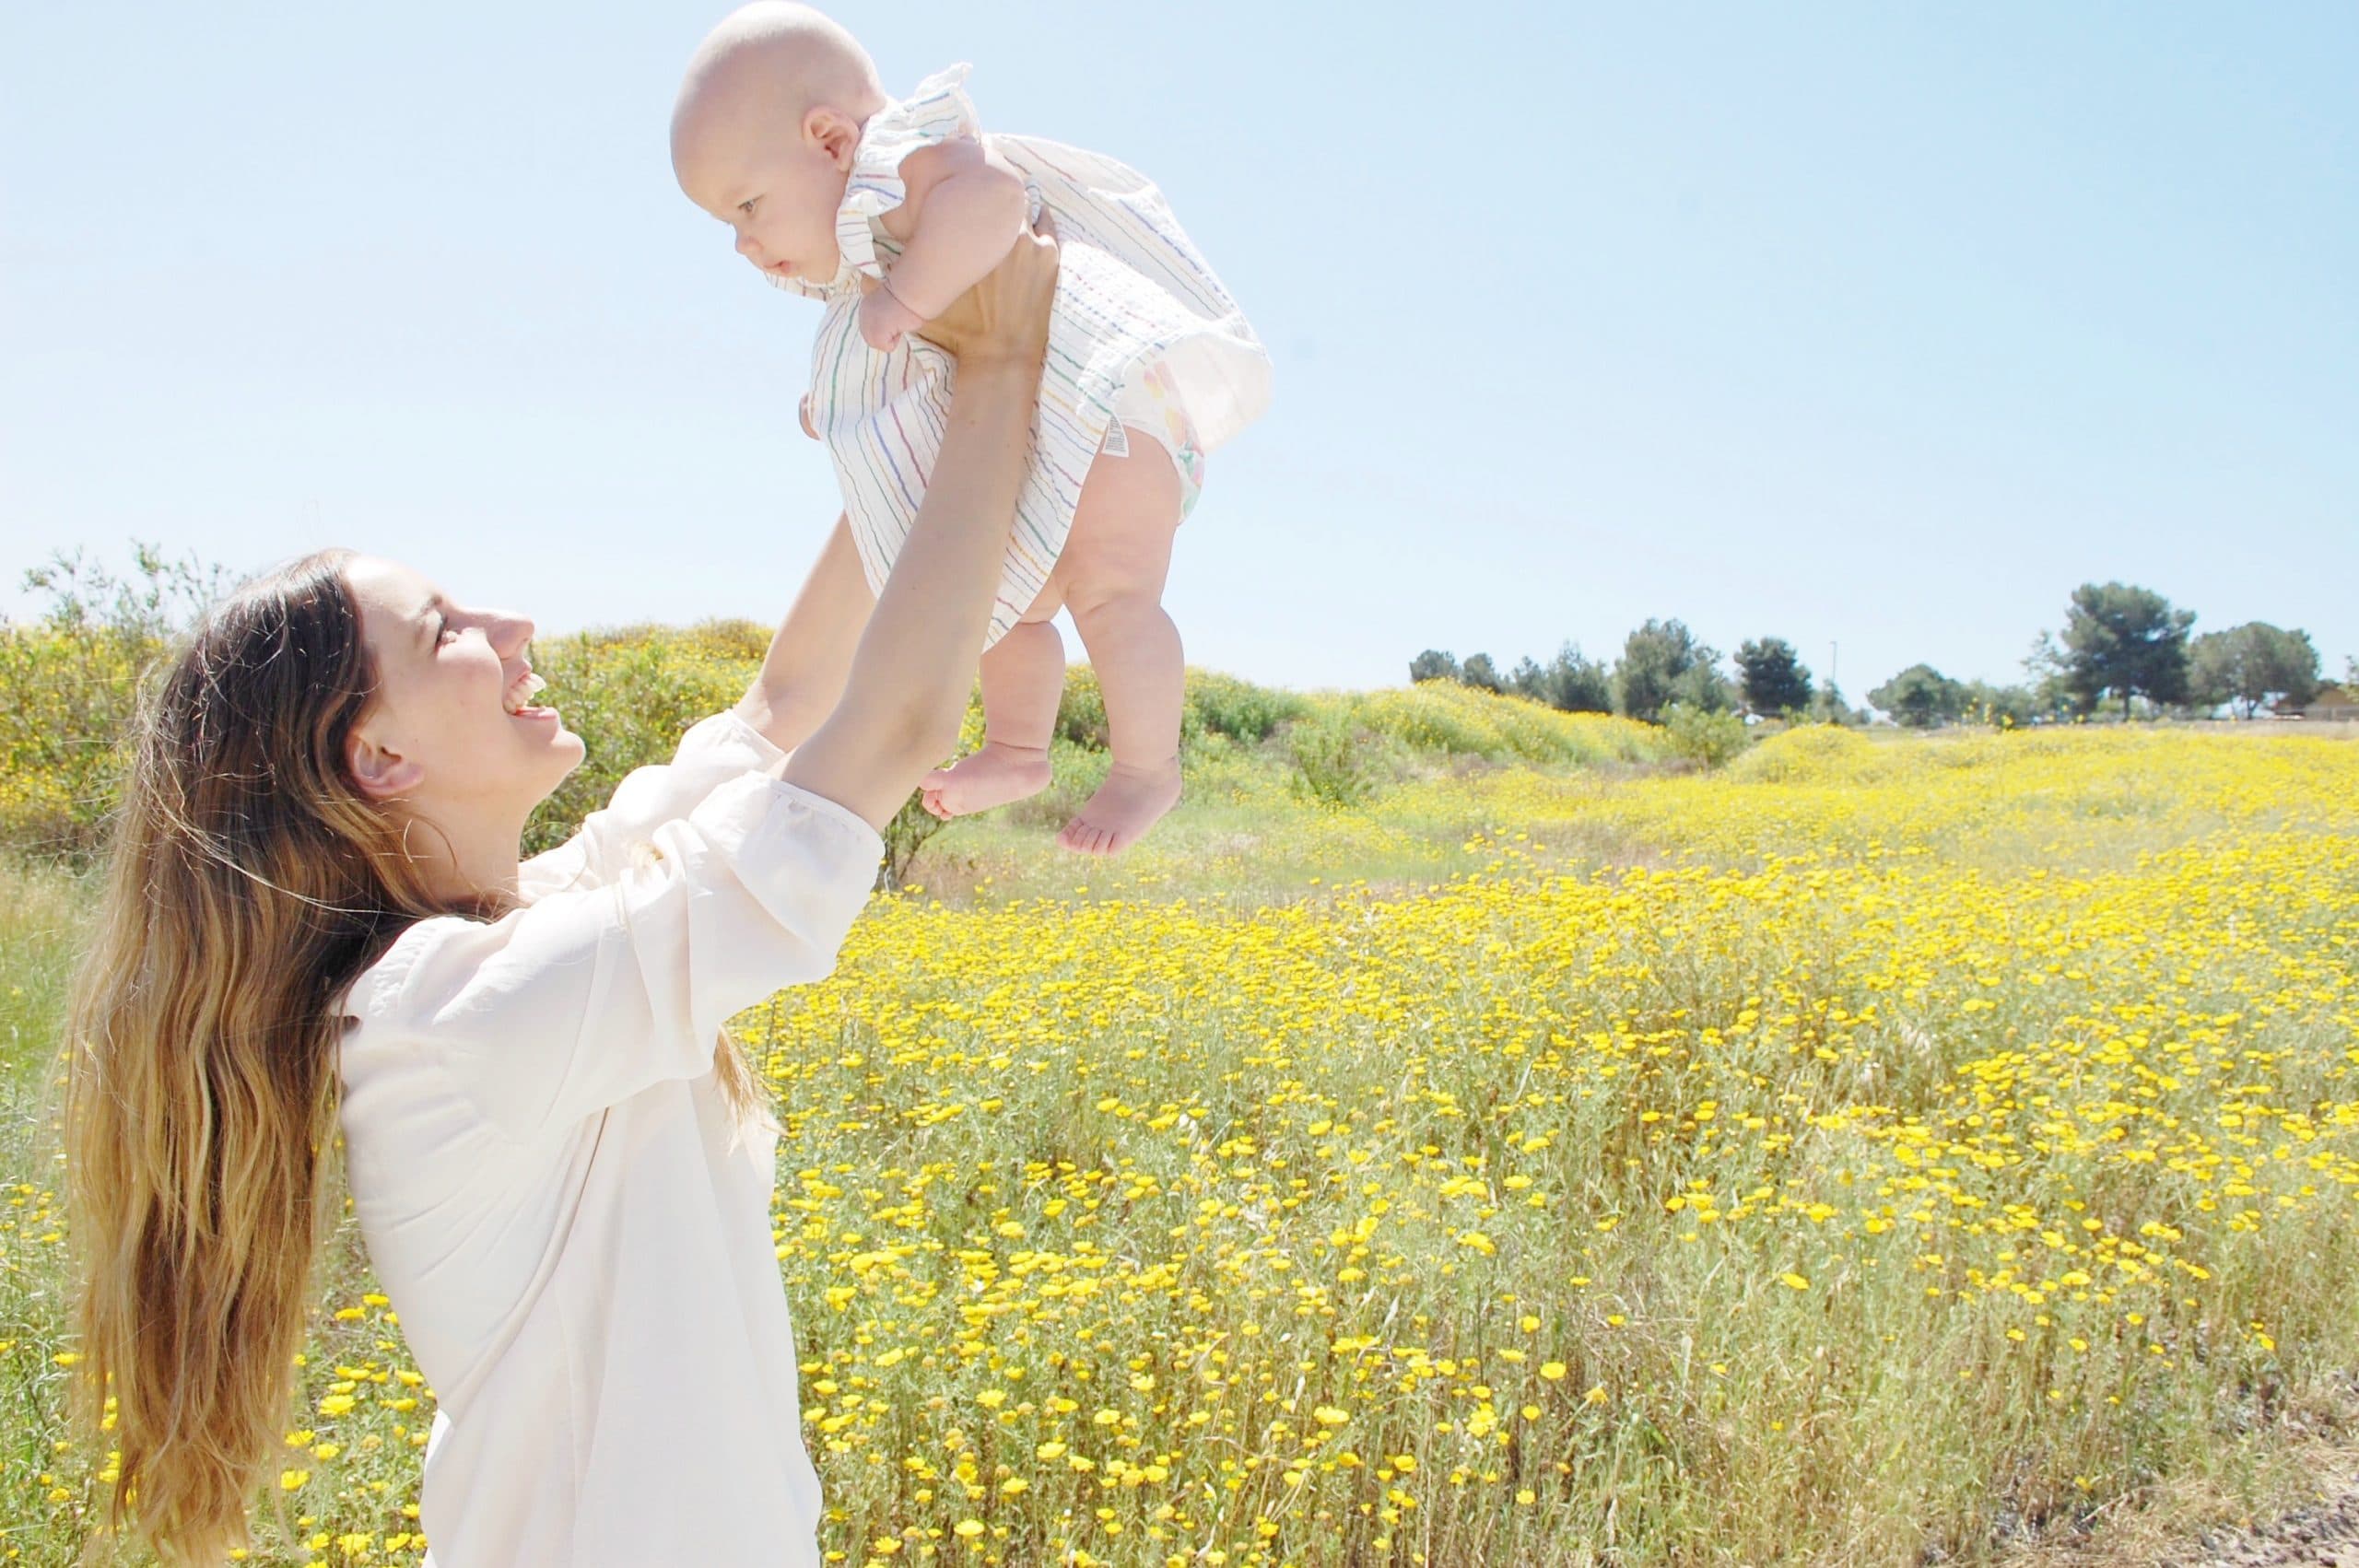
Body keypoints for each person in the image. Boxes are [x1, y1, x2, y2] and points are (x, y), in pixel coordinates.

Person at [62, 221, 1061, 1567]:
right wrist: (1000, 364)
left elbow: (790, 702)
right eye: (449, 631)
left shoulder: (534, 923)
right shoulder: (449, 1014)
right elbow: (873, 742)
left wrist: (928, 391)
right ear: (380, 756)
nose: (515, 628)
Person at [671, 2, 1273, 855]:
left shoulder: (903, 164)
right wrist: (848, 400)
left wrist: (902, 302)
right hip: (1045, 430)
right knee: (1002, 606)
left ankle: (1147, 768)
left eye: (748, 205)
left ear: (832, 140)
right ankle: (1018, 750)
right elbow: (895, 349)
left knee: (1111, 595)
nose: (743, 243)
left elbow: (992, 202)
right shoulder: (865, 253)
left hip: (1106, 413)